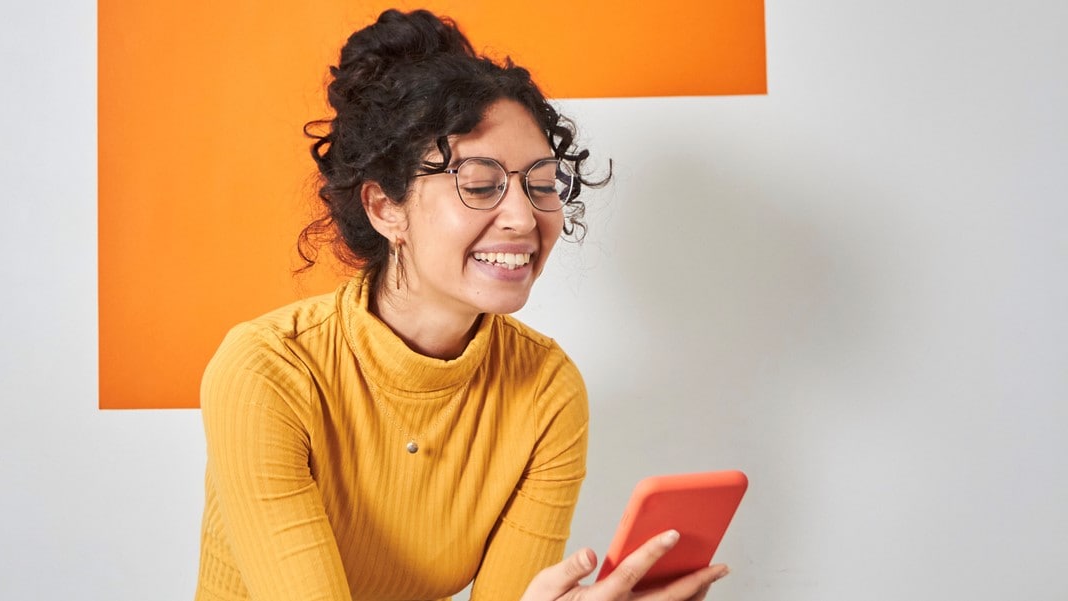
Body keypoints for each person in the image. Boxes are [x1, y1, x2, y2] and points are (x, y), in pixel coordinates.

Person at [194, 9, 730, 601]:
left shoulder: (546, 392)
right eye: (480, 184)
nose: (525, 218)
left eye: (542, 183)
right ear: (384, 208)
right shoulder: (269, 372)